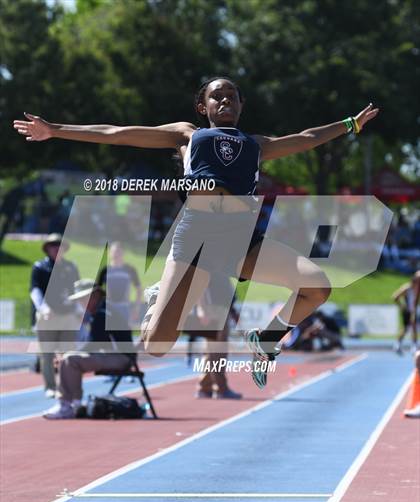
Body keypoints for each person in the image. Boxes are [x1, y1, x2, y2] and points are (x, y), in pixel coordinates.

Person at [14, 77, 378, 389]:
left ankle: (266, 340)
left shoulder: (257, 145)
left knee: (318, 285)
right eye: (216, 96)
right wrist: (56, 130)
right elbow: (117, 134)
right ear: (202, 107)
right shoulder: (187, 135)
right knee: (158, 344)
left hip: (241, 239)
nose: (224, 100)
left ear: (241, 105)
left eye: (231, 96)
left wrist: (350, 124)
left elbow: (307, 136)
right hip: (197, 240)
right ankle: (157, 302)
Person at [43, 279, 133, 419]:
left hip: (121, 358)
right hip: (114, 355)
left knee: (70, 359)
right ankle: (70, 404)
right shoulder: (101, 310)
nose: (81, 303)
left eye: (83, 298)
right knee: (68, 359)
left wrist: (68, 353)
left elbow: (95, 344)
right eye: (79, 299)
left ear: (95, 296)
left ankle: (70, 405)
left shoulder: (103, 313)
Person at [30, 233, 80, 397]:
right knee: (47, 354)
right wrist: (43, 308)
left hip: (67, 315)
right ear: (47, 249)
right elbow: (35, 290)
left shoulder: (71, 267)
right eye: (53, 246)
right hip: (48, 317)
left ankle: (66, 387)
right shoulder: (40, 267)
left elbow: (77, 290)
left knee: (68, 353)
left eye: (60, 245)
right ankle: (50, 387)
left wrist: (80, 310)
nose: (57, 248)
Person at [184, 272, 242, 399]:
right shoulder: (209, 262)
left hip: (221, 310)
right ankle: (221, 388)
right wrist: (202, 309)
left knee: (212, 352)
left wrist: (233, 312)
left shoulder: (219, 263)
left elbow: (225, 291)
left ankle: (204, 388)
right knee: (217, 352)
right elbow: (199, 284)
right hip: (213, 311)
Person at [97, 241, 142, 327]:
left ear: (123, 253)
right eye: (114, 251)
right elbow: (97, 290)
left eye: (119, 251)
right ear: (110, 253)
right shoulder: (105, 270)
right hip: (108, 307)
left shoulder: (130, 269)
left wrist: (136, 308)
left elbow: (139, 289)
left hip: (124, 307)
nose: (116, 254)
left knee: (123, 336)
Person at [392, 271, 420, 355]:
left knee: (414, 327)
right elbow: (395, 296)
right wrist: (402, 306)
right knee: (406, 328)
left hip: (413, 310)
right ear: (415, 279)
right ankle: (398, 344)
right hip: (407, 310)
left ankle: (414, 346)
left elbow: (416, 301)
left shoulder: (418, 289)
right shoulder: (407, 288)